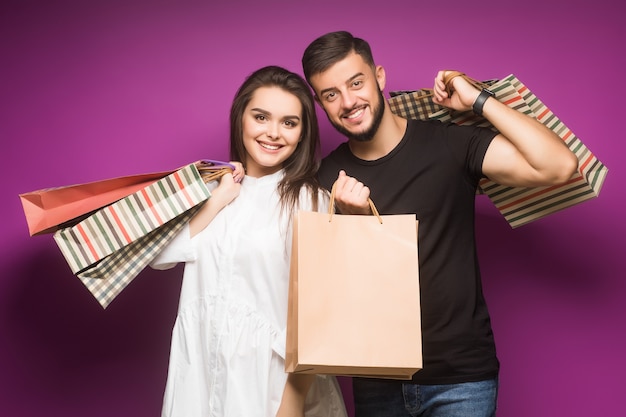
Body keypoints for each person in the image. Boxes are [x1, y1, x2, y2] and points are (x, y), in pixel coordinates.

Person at [301, 31, 578, 417]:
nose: (348, 102)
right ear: (320, 103)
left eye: (356, 83)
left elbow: (558, 166)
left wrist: (479, 100)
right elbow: (322, 285)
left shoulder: (449, 144)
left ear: (379, 77)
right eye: (331, 94)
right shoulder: (328, 177)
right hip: (375, 377)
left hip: (462, 380)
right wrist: (357, 225)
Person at [150, 66, 347, 417]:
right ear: (241, 118)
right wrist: (218, 198)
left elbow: (320, 315)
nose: (273, 133)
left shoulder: (310, 200)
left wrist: (291, 404)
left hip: (270, 386)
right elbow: (159, 256)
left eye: (289, 122)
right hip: (198, 377)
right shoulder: (210, 188)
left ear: (303, 133)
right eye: (261, 117)